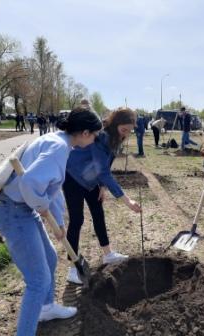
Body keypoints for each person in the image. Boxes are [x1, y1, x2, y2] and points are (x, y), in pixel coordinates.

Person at [0, 108, 102, 336]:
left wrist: (59, 222)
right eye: (94, 135)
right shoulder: (59, 148)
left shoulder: (58, 141)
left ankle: (46, 308)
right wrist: (42, 208)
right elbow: (31, 184)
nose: (94, 140)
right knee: (38, 280)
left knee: (51, 257)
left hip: (22, 208)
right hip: (13, 211)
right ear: (83, 133)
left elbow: (49, 188)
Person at [63, 108, 141, 285]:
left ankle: (108, 255)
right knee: (77, 220)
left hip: (91, 179)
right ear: (115, 124)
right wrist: (127, 200)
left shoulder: (116, 137)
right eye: (124, 130)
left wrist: (103, 186)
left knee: (98, 214)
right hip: (73, 177)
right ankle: (73, 268)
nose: (127, 134)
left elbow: (108, 161)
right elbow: (103, 171)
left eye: (130, 131)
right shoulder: (103, 137)